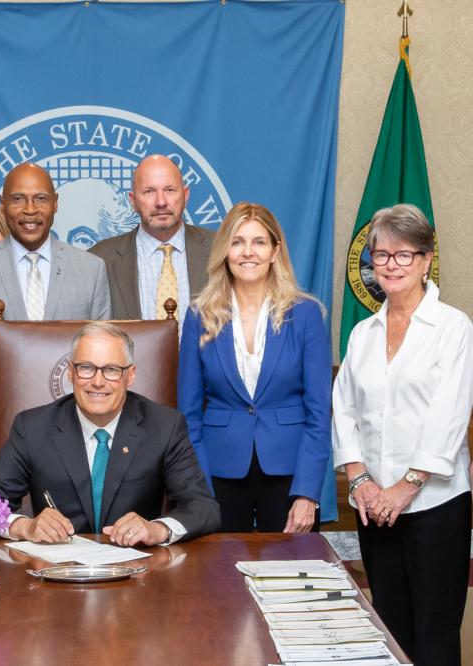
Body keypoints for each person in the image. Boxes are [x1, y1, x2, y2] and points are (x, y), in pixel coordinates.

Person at [333, 204, 472, 666]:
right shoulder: (362, 333)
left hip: (435, 506)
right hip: (374, 507)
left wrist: (403, 487)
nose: (391, 265)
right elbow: (344, 410)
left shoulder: (453, 328)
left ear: (427, 259)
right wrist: (360, 482)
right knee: (387, 630)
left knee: (433, 636)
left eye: (404, 254)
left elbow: (448, 416)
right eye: (382, 255)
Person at [0, 322, 219, 544]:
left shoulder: (164, 426)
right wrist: (25, 527)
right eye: (86, 368)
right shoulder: (32, 428)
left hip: (138, 572)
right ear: (71, 373)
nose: (97, 381)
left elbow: (203, 508)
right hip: (56, 573)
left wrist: (157, 529)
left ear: (131, 375)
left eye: (112, 370)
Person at [0, 162, 112, 484]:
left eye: (40, 198)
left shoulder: (91, 270)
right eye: (18, 199)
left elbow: (101, 365)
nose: (30, 210)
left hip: (78, 454)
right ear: (2, 204)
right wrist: (4, 437)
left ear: (55, 203)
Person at [177, 202, 330, 534]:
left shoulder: (305, 315)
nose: (248, 252)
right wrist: (200, 490)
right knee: (221, 579)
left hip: (289, 474)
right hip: (220, 473)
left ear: (275, 250)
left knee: (291, 577)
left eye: (259, 242)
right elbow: (188, 414)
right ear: (225, 251)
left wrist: (308, 493)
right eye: (237, 241)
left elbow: (319, 413)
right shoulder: (199, 315)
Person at [89, 154, 215, 325]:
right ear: (133, 201)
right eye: (149, 191)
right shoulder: (99, 259)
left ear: (185, 195)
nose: (161, 202)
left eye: (170, 190)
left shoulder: (220, 249)